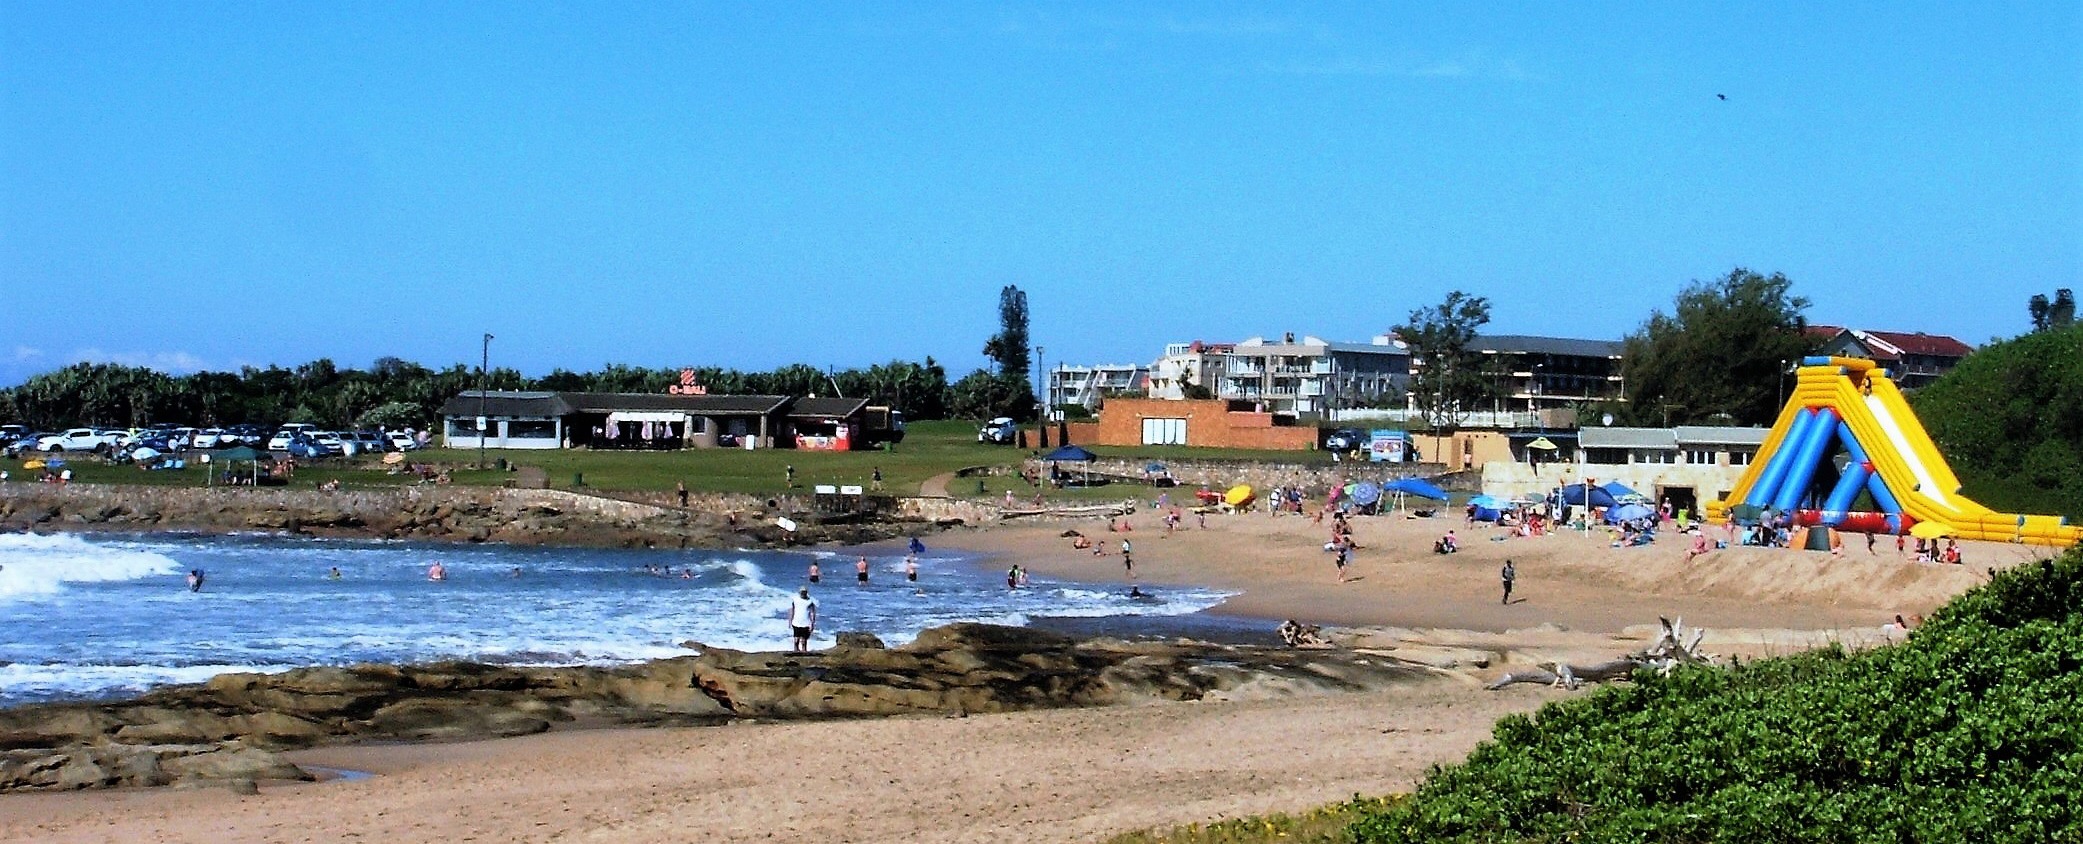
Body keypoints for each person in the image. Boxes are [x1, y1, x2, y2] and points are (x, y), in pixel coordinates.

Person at [788, 587, 817, 653]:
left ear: (806, 593)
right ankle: (796, 651)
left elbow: (812, 612)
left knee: (804, 641)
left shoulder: (810, 601)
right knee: (796, 640)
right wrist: (790, 621)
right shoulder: (795, 600)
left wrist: (812, 623)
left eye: (804, 592)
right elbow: (792, 610)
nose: (802, 593)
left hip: (806, 623)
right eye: (801, 592)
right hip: (796, 622)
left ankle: (804, 651)